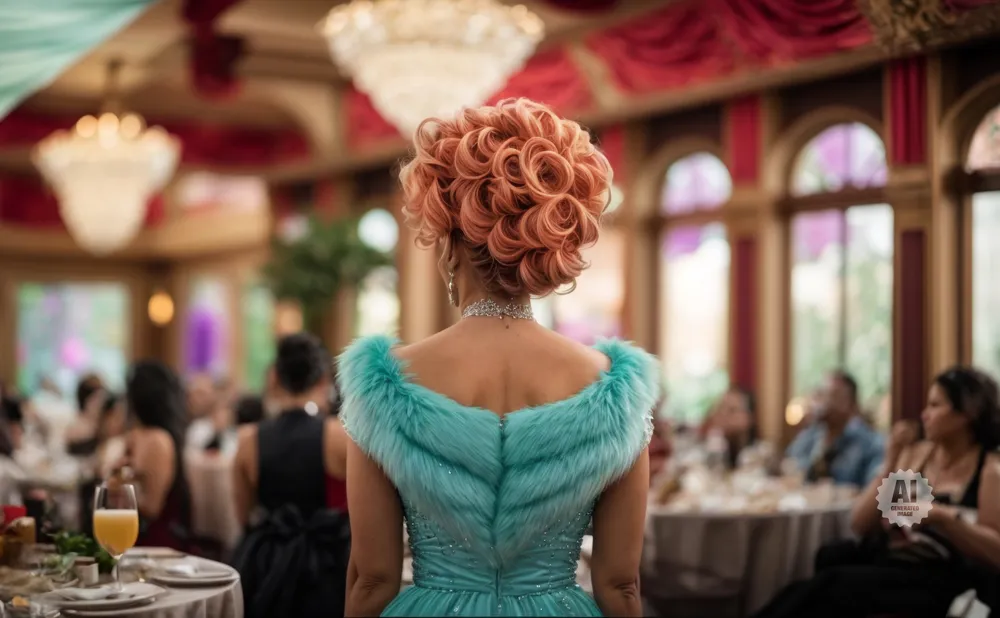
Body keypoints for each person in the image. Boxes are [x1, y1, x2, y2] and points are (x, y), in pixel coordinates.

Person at [339, 99, 658, 617]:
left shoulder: (383, 382)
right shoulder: (614, 389)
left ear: (448, 242)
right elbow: (620, 584)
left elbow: (372, 578)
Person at [753, 366, 1000, 618]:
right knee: (822, 572)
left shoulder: (989, 470)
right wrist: (892, 460)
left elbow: (995, 553)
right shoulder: (920, 456)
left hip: (944, 575)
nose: (924, 415)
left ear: (966, 414)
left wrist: (944, 518)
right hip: (896, 561)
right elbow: (861, 523)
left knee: (829, 586)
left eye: (935, 406)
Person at [231, 333, 350, 618]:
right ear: (323, 379)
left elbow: (243, 515)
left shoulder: (249, 439)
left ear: (275, 378)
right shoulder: (338, 435)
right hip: (328, 566)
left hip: (266, 564)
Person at [118, 361, 192, 551]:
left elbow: (152, 507)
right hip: (130, 530)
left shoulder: (158, 440)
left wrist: (119, 489)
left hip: (155, 543)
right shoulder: (136, 435)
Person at [785, 370, 884, 486]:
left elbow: (876, 491)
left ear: (852, 404)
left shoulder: (870, 443)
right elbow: (789, 465)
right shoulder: (812, 434)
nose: (824, 402)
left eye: (833, 396)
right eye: (822, 394)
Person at [703, 387, 756, 469]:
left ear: (748, 417)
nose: (723, 415)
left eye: (732, 410)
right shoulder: (703, 453)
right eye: (721, 408)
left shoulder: (759, 456)